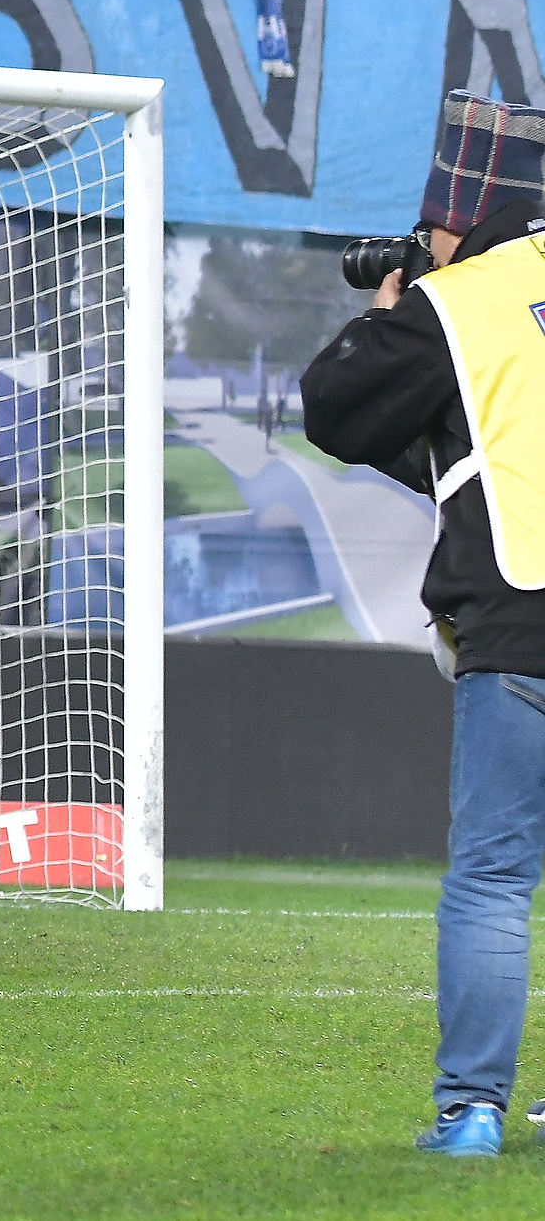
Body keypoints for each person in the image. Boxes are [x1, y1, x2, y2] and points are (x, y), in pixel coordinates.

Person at [300, 93, 545, 1155]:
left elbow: (332, 408)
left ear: (462, 213)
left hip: (521, 625)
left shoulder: (457, 304)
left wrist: (395, 305)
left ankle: (473, 1113)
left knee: (494, 876)